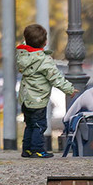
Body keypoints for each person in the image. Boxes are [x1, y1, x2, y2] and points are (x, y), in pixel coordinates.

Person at [16, 24, 76, 158]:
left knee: (30, 124)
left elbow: (28, 41)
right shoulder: (43, 61)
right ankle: (38, 150)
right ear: (45, 42)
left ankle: (27, 150)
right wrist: (69, 89)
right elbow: (56, 78)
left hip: (25, 98)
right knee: (39, 125)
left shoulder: (23, 55)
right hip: (38, 99)